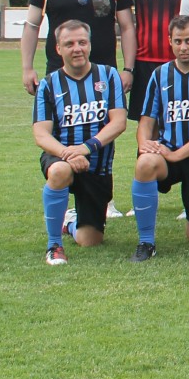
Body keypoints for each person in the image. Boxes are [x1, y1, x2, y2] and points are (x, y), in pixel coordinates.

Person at [127, 16, 189, 261]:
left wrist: (177, 154)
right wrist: (144, 144)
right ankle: (146, 242)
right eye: (178, 41)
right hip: (168, 154)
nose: (183, 47)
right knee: (145, 163)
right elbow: (146, 121)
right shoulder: (159, 75)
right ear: (170, 42)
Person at [33, 20, 127, 265]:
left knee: (90, 239)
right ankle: (54, 245)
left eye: (82, 42)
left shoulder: (109, 76)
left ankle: (70, 223)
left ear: (90, 45)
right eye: (69, 44)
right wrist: (69, 154)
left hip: (97, 165)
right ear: (58, 49)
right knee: (59, 171)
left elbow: (118, 122)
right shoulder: (48, 84)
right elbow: (41, 134)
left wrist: (85, 149)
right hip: (61, 156)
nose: (77, 48)